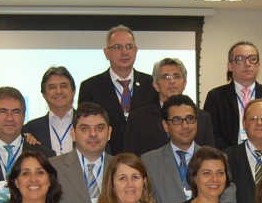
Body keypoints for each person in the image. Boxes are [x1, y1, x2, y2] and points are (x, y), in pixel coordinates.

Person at [77, 25, 158, 154]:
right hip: (106, 159)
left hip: (145, 158)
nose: (124, 52)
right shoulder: (90, 87)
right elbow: (84, 127)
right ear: (106, 53)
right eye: (117, 47)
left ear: (136, 51)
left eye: (129, 47)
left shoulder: (151, 84)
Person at [203, 41, 262, 150]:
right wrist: (232, 155)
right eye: (240, 59)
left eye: (252, 59)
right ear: (230, 66)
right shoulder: (215, 96)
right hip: (228, 157)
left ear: (258, 65)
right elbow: (210, 135)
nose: (247, 63)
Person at [123, 58, 216, 155]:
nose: (172, 81)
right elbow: (130, 159)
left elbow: (210, 157)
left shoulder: (203, 118)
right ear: (156, 85)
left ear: (184, 84)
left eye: (177, 76)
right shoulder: (138, 119)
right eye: (166, 77)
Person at [0, 86, 55, 198]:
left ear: (24, 116)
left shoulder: (46, 155)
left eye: (16, 112)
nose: (9, 118)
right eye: (3, 112)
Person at [23, 66, 77, 156]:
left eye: (63, 86)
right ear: (44, 94)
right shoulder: (30, 129)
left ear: (73, 91)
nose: (58, 91)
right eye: (52, 87)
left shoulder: (89, 125)